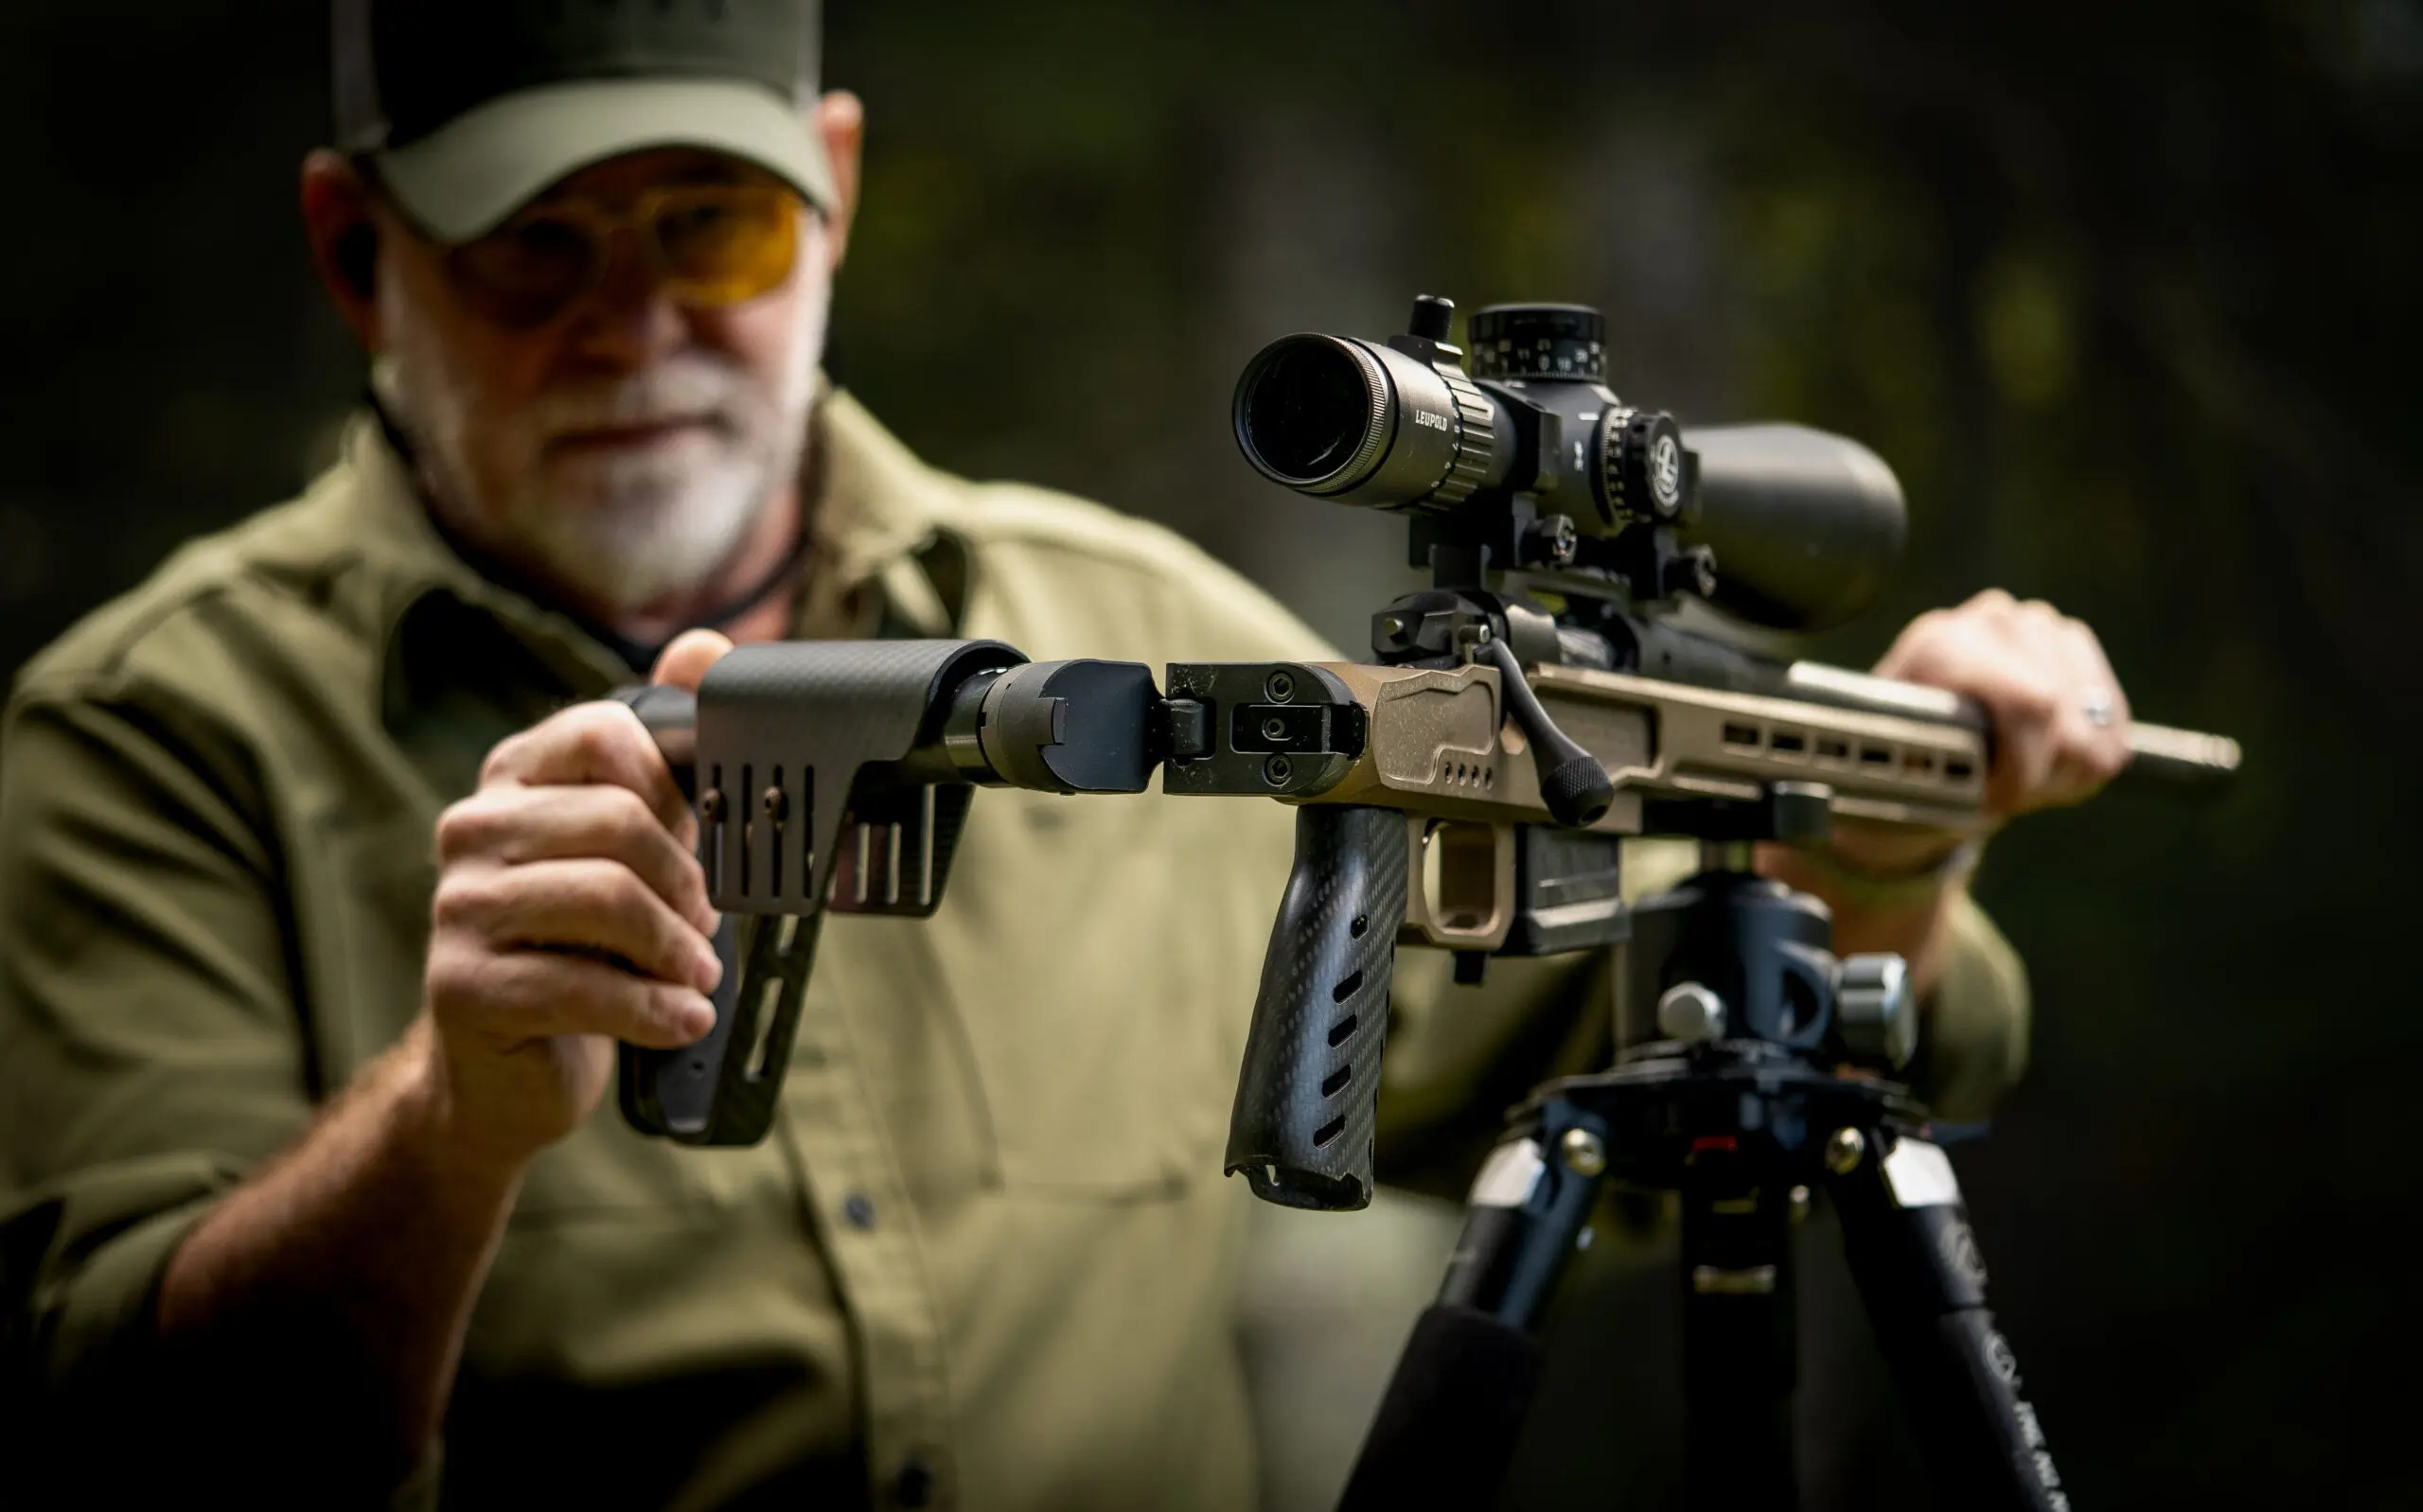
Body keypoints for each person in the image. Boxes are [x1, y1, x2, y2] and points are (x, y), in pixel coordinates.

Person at [0, 2, 2135, 1507]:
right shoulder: (156, 734)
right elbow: (125, 1443)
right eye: (529, 248)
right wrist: (446, 1126)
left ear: (828, 192)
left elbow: (1585, 1063)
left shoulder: (1146, 622)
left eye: (708, 230)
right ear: (357, 257)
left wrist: (1866, 869)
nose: (630, 322)